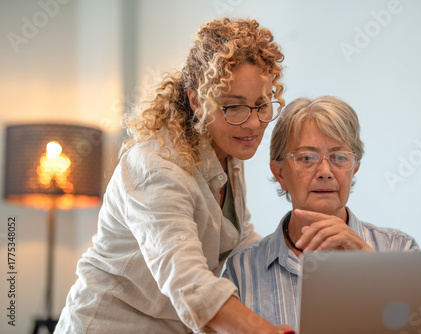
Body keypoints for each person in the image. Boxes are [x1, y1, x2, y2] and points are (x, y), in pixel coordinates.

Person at [55, 18, 295, 334]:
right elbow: (188, 282)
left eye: (261, 105)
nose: (252, 124)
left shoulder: (227, 150)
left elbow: (240, 239)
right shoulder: (158, 169)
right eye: (234, 107)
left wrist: (294, 248)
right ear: (197, 100)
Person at [222, 96, 420, 330]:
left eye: (339, 157)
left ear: (354, 168)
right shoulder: (242, 271)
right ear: (280, 173)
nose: (325, 171)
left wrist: (369, 263)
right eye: (307, 158)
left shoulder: (399, 249)